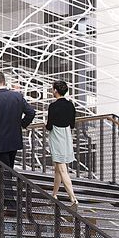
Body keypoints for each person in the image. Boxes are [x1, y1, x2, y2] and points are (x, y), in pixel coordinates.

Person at [0, 71, 35, 216]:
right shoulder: (17, 96)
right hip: (14, 140)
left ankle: (11, 205)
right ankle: (9, 202)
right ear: (5, 82)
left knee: (4, 173)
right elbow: (31, 112)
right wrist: (22, 124)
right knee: (8, 171)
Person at [43, 79, 80, 212]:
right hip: (67, 136)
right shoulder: (71, 105)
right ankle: (54, 195)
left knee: (62, 169)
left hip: (56, 136)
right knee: (58, 169)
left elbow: (49, 126)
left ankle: (73, 198)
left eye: (52, 89)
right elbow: (72, 124)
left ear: (56, 91)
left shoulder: (53, 106)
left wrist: (46, 125)